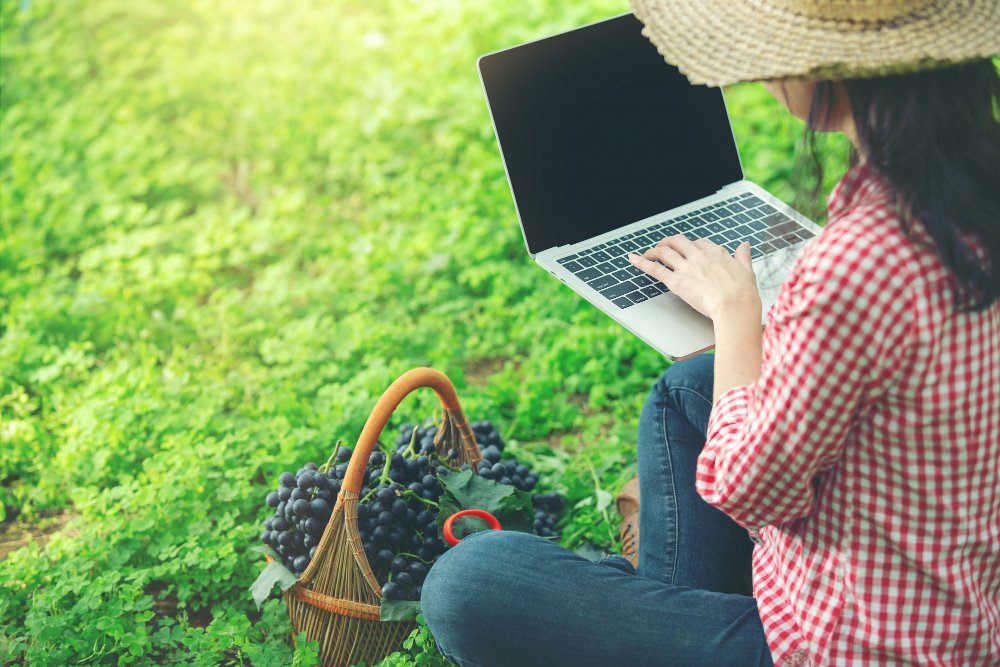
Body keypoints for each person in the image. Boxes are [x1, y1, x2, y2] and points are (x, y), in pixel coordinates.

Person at [420, 0, 1000, 664]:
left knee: (470, 582)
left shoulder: (860, 263)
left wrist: (735, 313)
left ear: (830, 69)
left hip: (847, 644)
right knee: (686, 391)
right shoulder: (966, 192)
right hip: (963, 609)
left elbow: (750, 489)